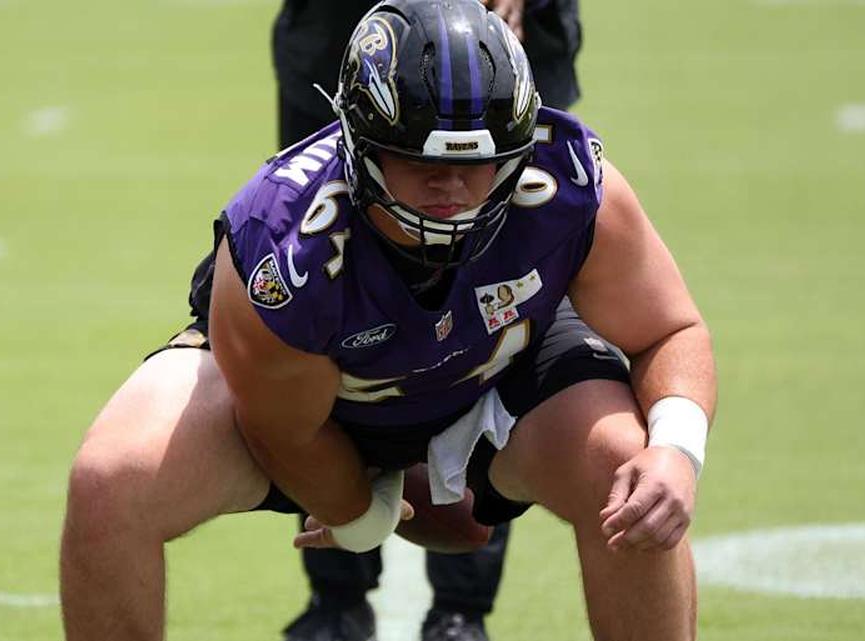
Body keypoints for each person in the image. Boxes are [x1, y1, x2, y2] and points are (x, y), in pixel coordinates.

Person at [59, 2, 716, 641]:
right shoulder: (282, 243)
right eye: (422, 163)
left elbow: (668, 329)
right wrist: (365, 512)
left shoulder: (570, 181)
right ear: (359, 144)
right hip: (325, 411)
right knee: (112, 481)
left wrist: (677, 448)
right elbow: (282, 428)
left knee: (630, 472)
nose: (450, 189)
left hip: (491, 365)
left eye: (472, 163)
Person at [270, 2, 583, 640]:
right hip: (346, 39)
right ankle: (336, 596)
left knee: (501, 300)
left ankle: (462, 609)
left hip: (493, 49)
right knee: (315, 303)